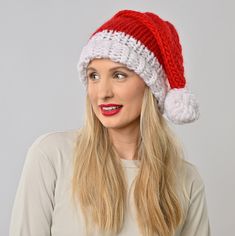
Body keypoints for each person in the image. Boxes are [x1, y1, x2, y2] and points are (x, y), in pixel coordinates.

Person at [9, 9, 211, 236]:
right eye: (93, 75)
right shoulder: (52, 156)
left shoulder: (185, 180)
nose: (102, 93)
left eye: (119, 75)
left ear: (150, 87)